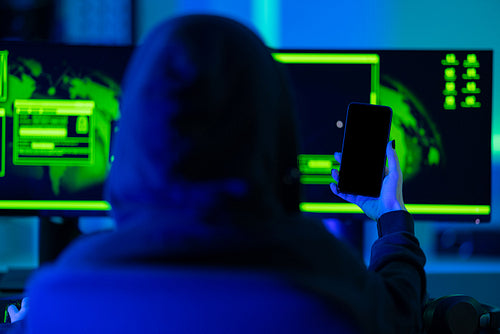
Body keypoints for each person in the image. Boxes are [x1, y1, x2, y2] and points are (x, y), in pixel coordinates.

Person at [5, 14, 426, 333]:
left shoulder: (62, 295)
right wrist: (390, 215)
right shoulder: (330, 280)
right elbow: (401, 316)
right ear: (273, 130)